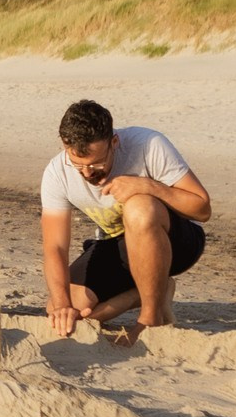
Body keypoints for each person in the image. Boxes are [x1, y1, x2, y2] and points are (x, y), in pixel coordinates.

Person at [40, 98, 211, 343]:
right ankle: (147, 293)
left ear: (114, 142)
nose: (88, 173)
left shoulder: (147, 145)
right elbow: (55, 246)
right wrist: (61, 306)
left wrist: (147, 186)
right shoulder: (57, 173)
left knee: (139, 206)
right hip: (120, 247)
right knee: (64, 308)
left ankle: (150, 319)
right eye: (79, 166)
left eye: (97, 163)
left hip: (176, 242)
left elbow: (202, 209)